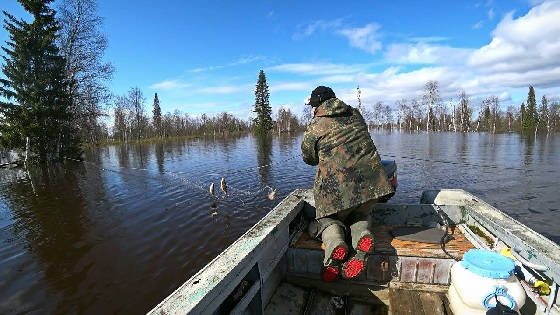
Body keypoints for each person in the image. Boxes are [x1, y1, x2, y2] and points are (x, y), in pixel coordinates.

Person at [301, 86, 394, 281]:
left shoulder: (316, 124)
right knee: (360, 214)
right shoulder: (355, 113)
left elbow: (309, 159)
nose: (311, 109)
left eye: (312, 106)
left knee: (325, 220)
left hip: (338, 194)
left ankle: (335, 243)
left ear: (317, 105)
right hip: (374, 187)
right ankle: (362, 238)